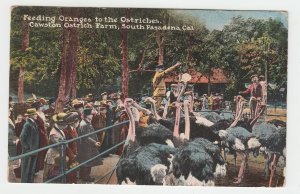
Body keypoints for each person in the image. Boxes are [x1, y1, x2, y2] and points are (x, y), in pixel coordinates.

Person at [77, 108, 103, 182]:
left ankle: (84, 175)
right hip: (86, 146)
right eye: (90, 114)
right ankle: (85, 176)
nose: (92, 116)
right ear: (86, 115)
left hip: (88, 145)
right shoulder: (83, 124)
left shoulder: (87, 122)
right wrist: (94, 142)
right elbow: (85, 136)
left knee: (88, 161)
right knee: (87, 161)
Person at [43, 112, 68, 182]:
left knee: (58, 170)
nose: (65, 126)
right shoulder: (53, 132)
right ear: (60, 124)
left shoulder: (60, 130)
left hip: (59, 153)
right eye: (64, 125)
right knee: (51, 171)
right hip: (53, 154)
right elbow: (57, 144)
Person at [19, 108, 39, 183]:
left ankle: (30, 183)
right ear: (31, 116)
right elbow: (22, 137)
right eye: (35, 114)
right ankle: (25, 184)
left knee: (31, 169)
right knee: (26, 169)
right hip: (28, 151)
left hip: (34, 150)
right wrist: (27, 147)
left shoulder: (33, 123)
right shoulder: (27, 124)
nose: (36, 115)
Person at [31, 101, 49, 173]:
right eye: (41, 106)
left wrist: (46, 124)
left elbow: (43, 122)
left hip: (44, 131)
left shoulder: (42, 113)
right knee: (41, 147)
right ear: (37, 108)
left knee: (44, 147)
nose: (42, 107)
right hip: (40, 133)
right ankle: (37, 166)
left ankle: (40, 165)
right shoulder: (36, 114)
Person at [63, 112, 80, 184]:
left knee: (74, 169)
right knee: (70, 169)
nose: (78, 123)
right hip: (70, 154)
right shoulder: (66, 130)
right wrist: (72, 155)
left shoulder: (74, 129)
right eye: (78, 121)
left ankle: (73, 182)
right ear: (74, 122)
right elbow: (66, 145)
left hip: (74, 152)